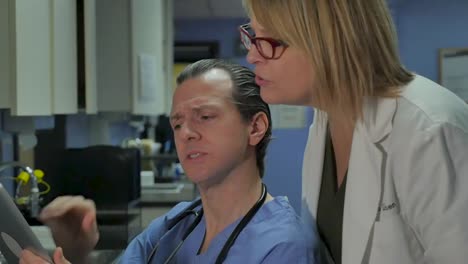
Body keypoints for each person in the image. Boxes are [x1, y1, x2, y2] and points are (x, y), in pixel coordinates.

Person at [19, 59, 315, 264]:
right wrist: (77, 250)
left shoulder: (283, 247)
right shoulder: (175, 226)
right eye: (177, 123)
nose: (186, 133)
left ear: (255, 127)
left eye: (205, 117)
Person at [239, 0, 468, 263]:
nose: (252, 56)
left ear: (328, 42)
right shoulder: (327, 119)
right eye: (252, 37)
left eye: (269, 41)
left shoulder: (429, 128)